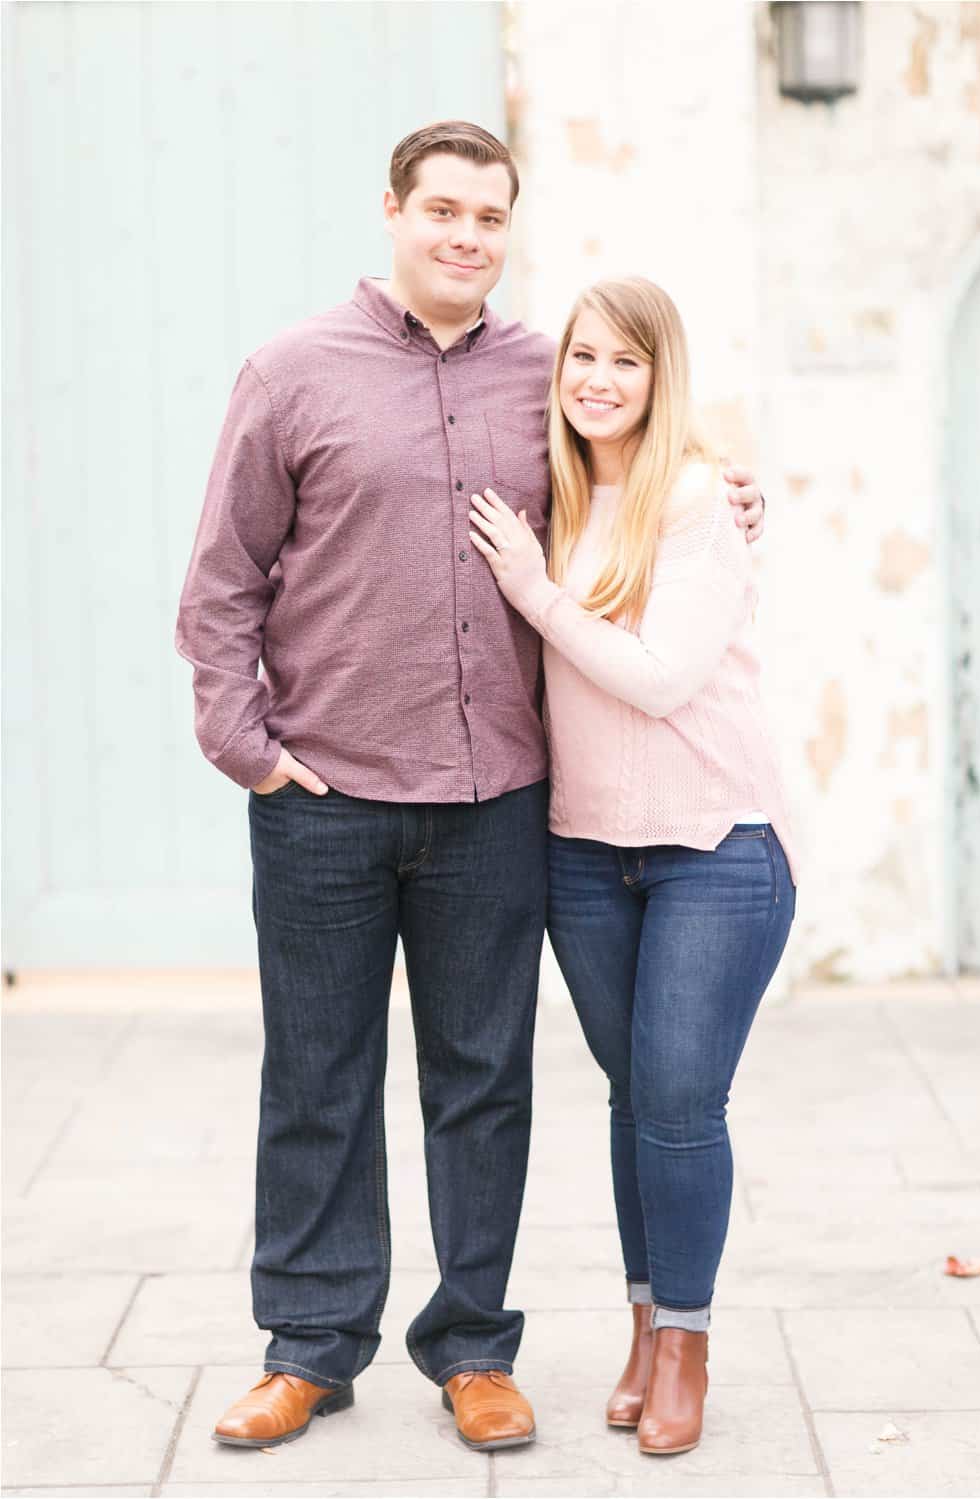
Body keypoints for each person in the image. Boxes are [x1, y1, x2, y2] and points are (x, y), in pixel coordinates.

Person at [176, 123, 765, 1454]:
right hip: (322, 791)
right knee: (317, 1072)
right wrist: (250, 749)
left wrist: (732, 492)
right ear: (390, 212)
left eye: (491, 217)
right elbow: (221, 584)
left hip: (497, 793)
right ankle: (310, 1345)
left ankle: (473, 1346)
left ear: (509, 230)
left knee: (483, 1077)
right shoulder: (288, 373)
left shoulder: (543, 377)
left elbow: (642, 470)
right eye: (442, 210)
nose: (467, 236)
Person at [468, 276, 796, 1456]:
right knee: (631, 1097)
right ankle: (645, 1322)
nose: (597, 380)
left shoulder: (700, 501)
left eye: (625, 361)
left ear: (663, 377)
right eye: (580, 360)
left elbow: (658, 676)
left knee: (675, 1100)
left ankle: (689, 1346)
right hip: (584, 852)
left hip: (715, 845)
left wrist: (533, 589)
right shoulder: (549, 497)